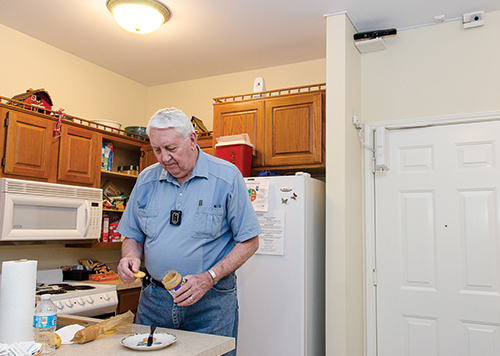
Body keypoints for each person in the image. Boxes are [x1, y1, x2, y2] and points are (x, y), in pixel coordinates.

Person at [117, 107, 261, 355]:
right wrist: (130, 256)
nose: (164, 158)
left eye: (171, 148)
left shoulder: (227, 177)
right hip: (154, 300)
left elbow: (249, 241)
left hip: (211, 302)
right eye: (157, 150)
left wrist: (209, 277)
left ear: (192, 139)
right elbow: (133, 235)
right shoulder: (146, 180)